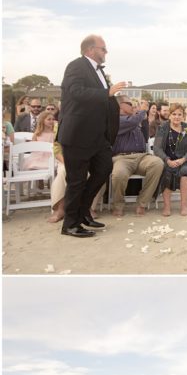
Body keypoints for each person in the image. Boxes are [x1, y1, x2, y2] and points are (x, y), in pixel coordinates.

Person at [57, 34, 126, 238]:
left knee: (104, 169)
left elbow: (104, 101)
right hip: (78, 135)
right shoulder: (76, 66)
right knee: (76, 180)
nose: (106, 52)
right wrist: (107, 93)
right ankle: (70, 224)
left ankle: (83, 212)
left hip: (97, 136)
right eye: (103, 49)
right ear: (90, 50)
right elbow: (76, 92)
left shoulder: (100, 72)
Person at [109, 97, 164, 217]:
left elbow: (145, 137)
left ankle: (142, 203)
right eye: (130, 104)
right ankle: (118, 205)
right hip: (122, 158)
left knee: (157, 163)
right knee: (118, 174)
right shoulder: (116, 120)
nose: (133, 106)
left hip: (141, 156)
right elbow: (132, 122)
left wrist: (143, 121)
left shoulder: (134, 120)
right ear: (120, 105)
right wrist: (143, 110)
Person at [153, 103, 187, 216]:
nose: (176, 117)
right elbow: (157, 148)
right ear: (170, 115)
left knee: (186, 172)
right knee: (167, 172)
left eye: (179, 114)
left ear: (183, 116)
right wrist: (167, 160)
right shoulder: (163, 128)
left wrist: (183, 159)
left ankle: (184, 205)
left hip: (184, 161)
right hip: (167, 160)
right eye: (174, 114)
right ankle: (167, 207)